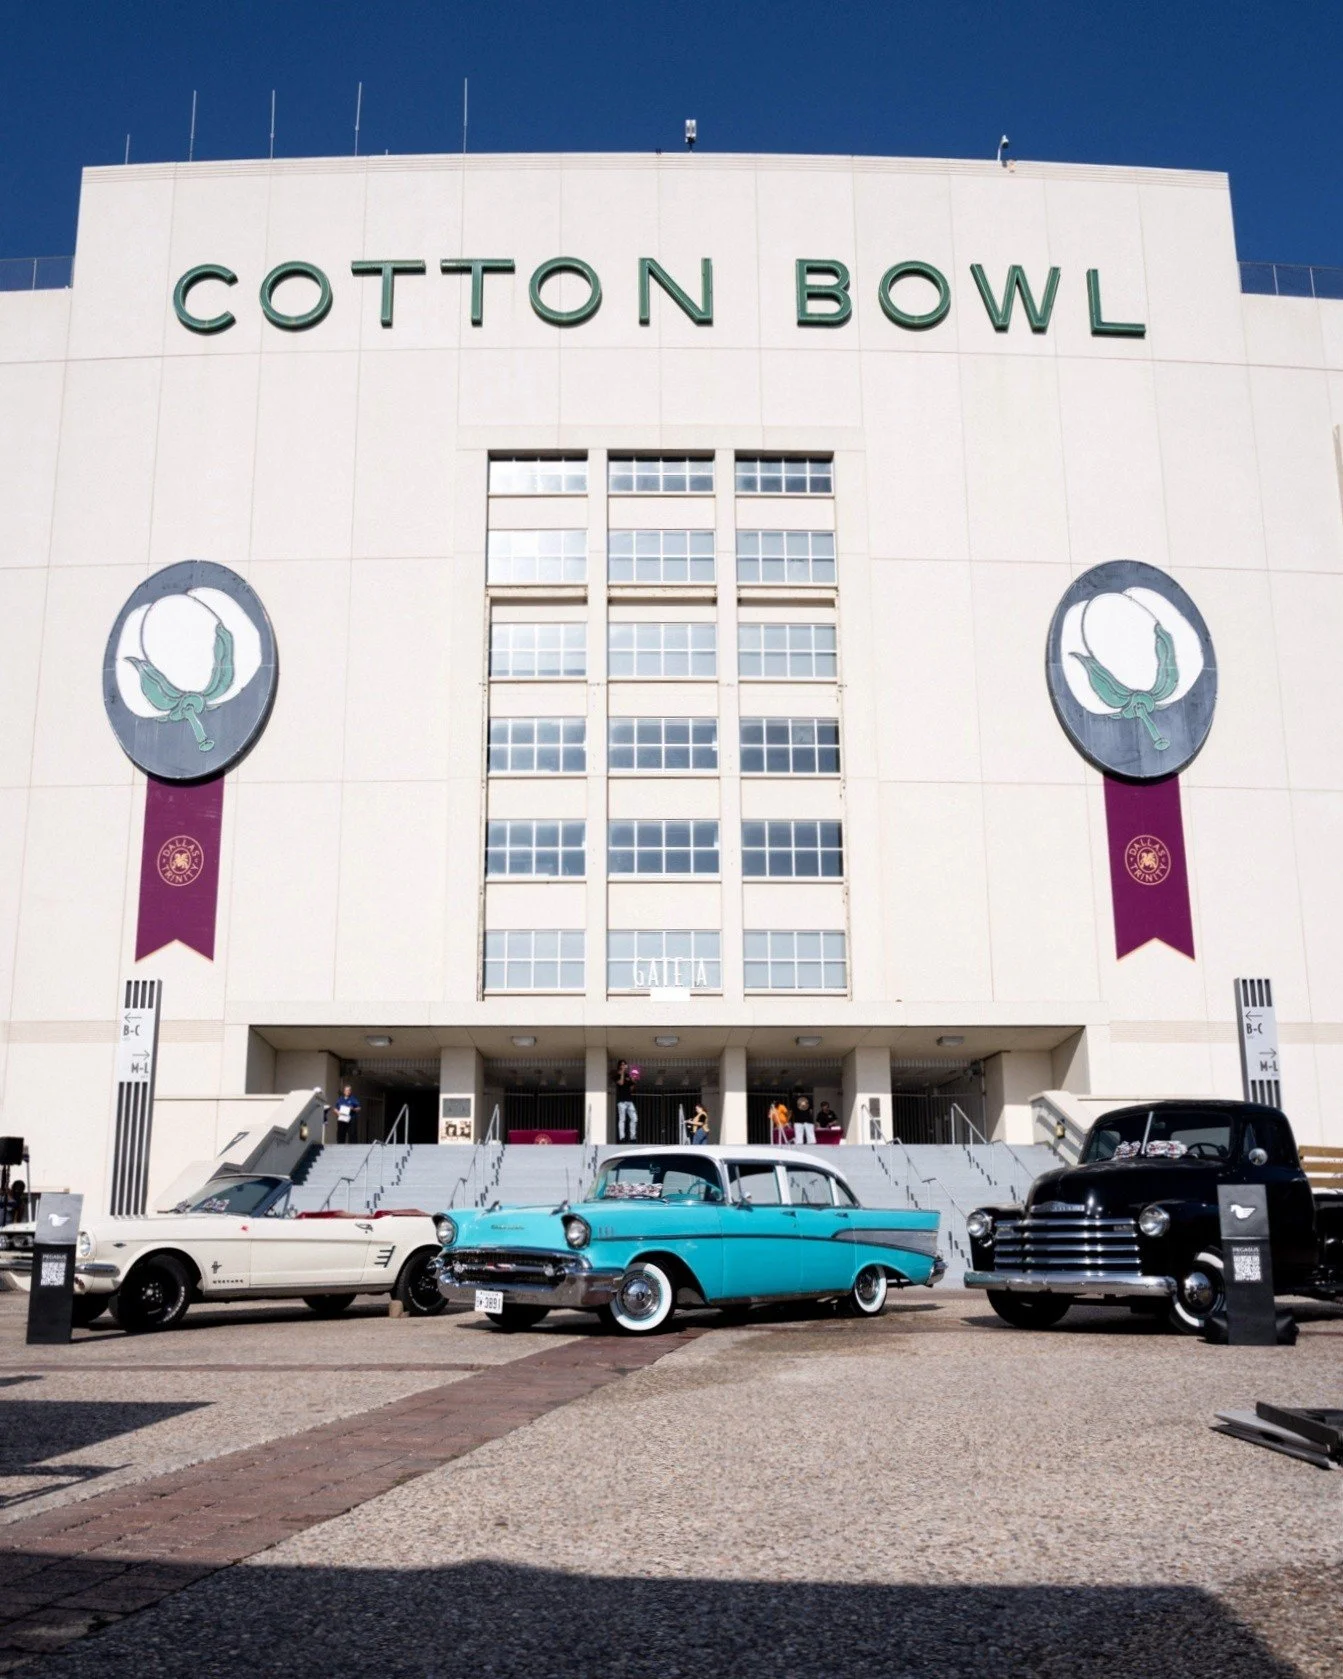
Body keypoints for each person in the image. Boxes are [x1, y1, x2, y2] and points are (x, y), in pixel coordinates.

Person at [613, 1060, 638, 1142]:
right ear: (619, 1066)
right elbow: (620, 1083)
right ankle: (622, 1137)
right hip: (621, 1101)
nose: (624, 1066)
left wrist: (634, 1081)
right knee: (622, 1119)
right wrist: (622, 1072)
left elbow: (631, 1088)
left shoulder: (628, 1075)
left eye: (625, 1064)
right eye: (622, 1064)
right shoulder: (616, 1075)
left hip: (629, 1100)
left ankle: (633, 1137)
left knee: (634, 1119)